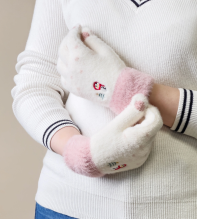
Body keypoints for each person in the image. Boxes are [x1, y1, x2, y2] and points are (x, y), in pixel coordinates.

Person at [11, 0, 197, 218]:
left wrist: (125, 88)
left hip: (179, 207)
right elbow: (35, 83)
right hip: (66, 205)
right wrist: (78, 153)